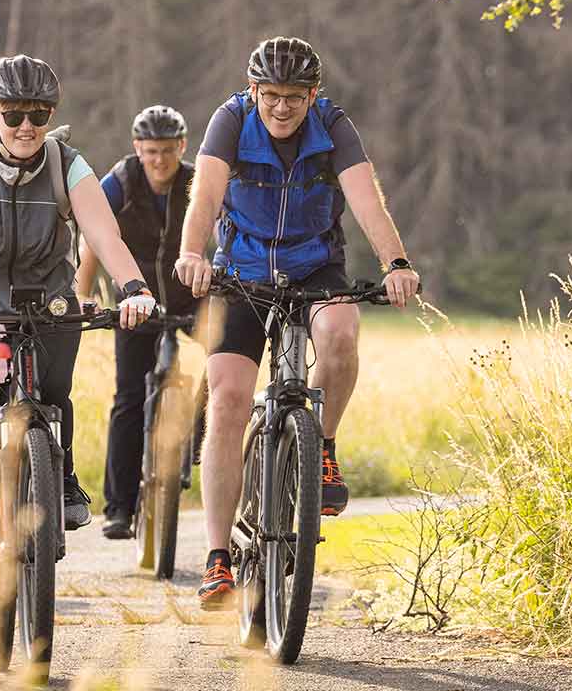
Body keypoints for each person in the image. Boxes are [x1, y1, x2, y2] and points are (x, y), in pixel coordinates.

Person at [0, 55, 159, 634]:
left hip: (47, 300)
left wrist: (135, 287)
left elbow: (102, 233)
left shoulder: (69, 165)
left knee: (55, 390)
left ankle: (54, 470)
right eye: (13, 114)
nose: (25, 126)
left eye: (38, 115)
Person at [173, 37, 421, 607]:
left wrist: (397, 263)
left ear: (313, 96)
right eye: (271, 96)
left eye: (294, 97)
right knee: (229, 400)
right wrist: (191, 252)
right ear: (254, 90)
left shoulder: (333, 125)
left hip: (315, 265)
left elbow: (365, 200)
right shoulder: (230, 120)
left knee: (340, 332)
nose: (282, 107)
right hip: (239, 272)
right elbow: (206, 192)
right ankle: (217, 557)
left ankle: (323, 445)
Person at [76, 105, 202, 540]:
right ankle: (119, 509)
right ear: (137, 149)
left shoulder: (196, 181)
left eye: (168, 151)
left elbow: (223, 227)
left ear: (182, 147)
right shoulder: (121, 182)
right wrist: (82, 293)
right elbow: (94, 234)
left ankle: (201, 422)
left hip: (191, 295)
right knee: (129, 398)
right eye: (150, 151)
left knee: (228, 354)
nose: (159, 160)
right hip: (136, 302)